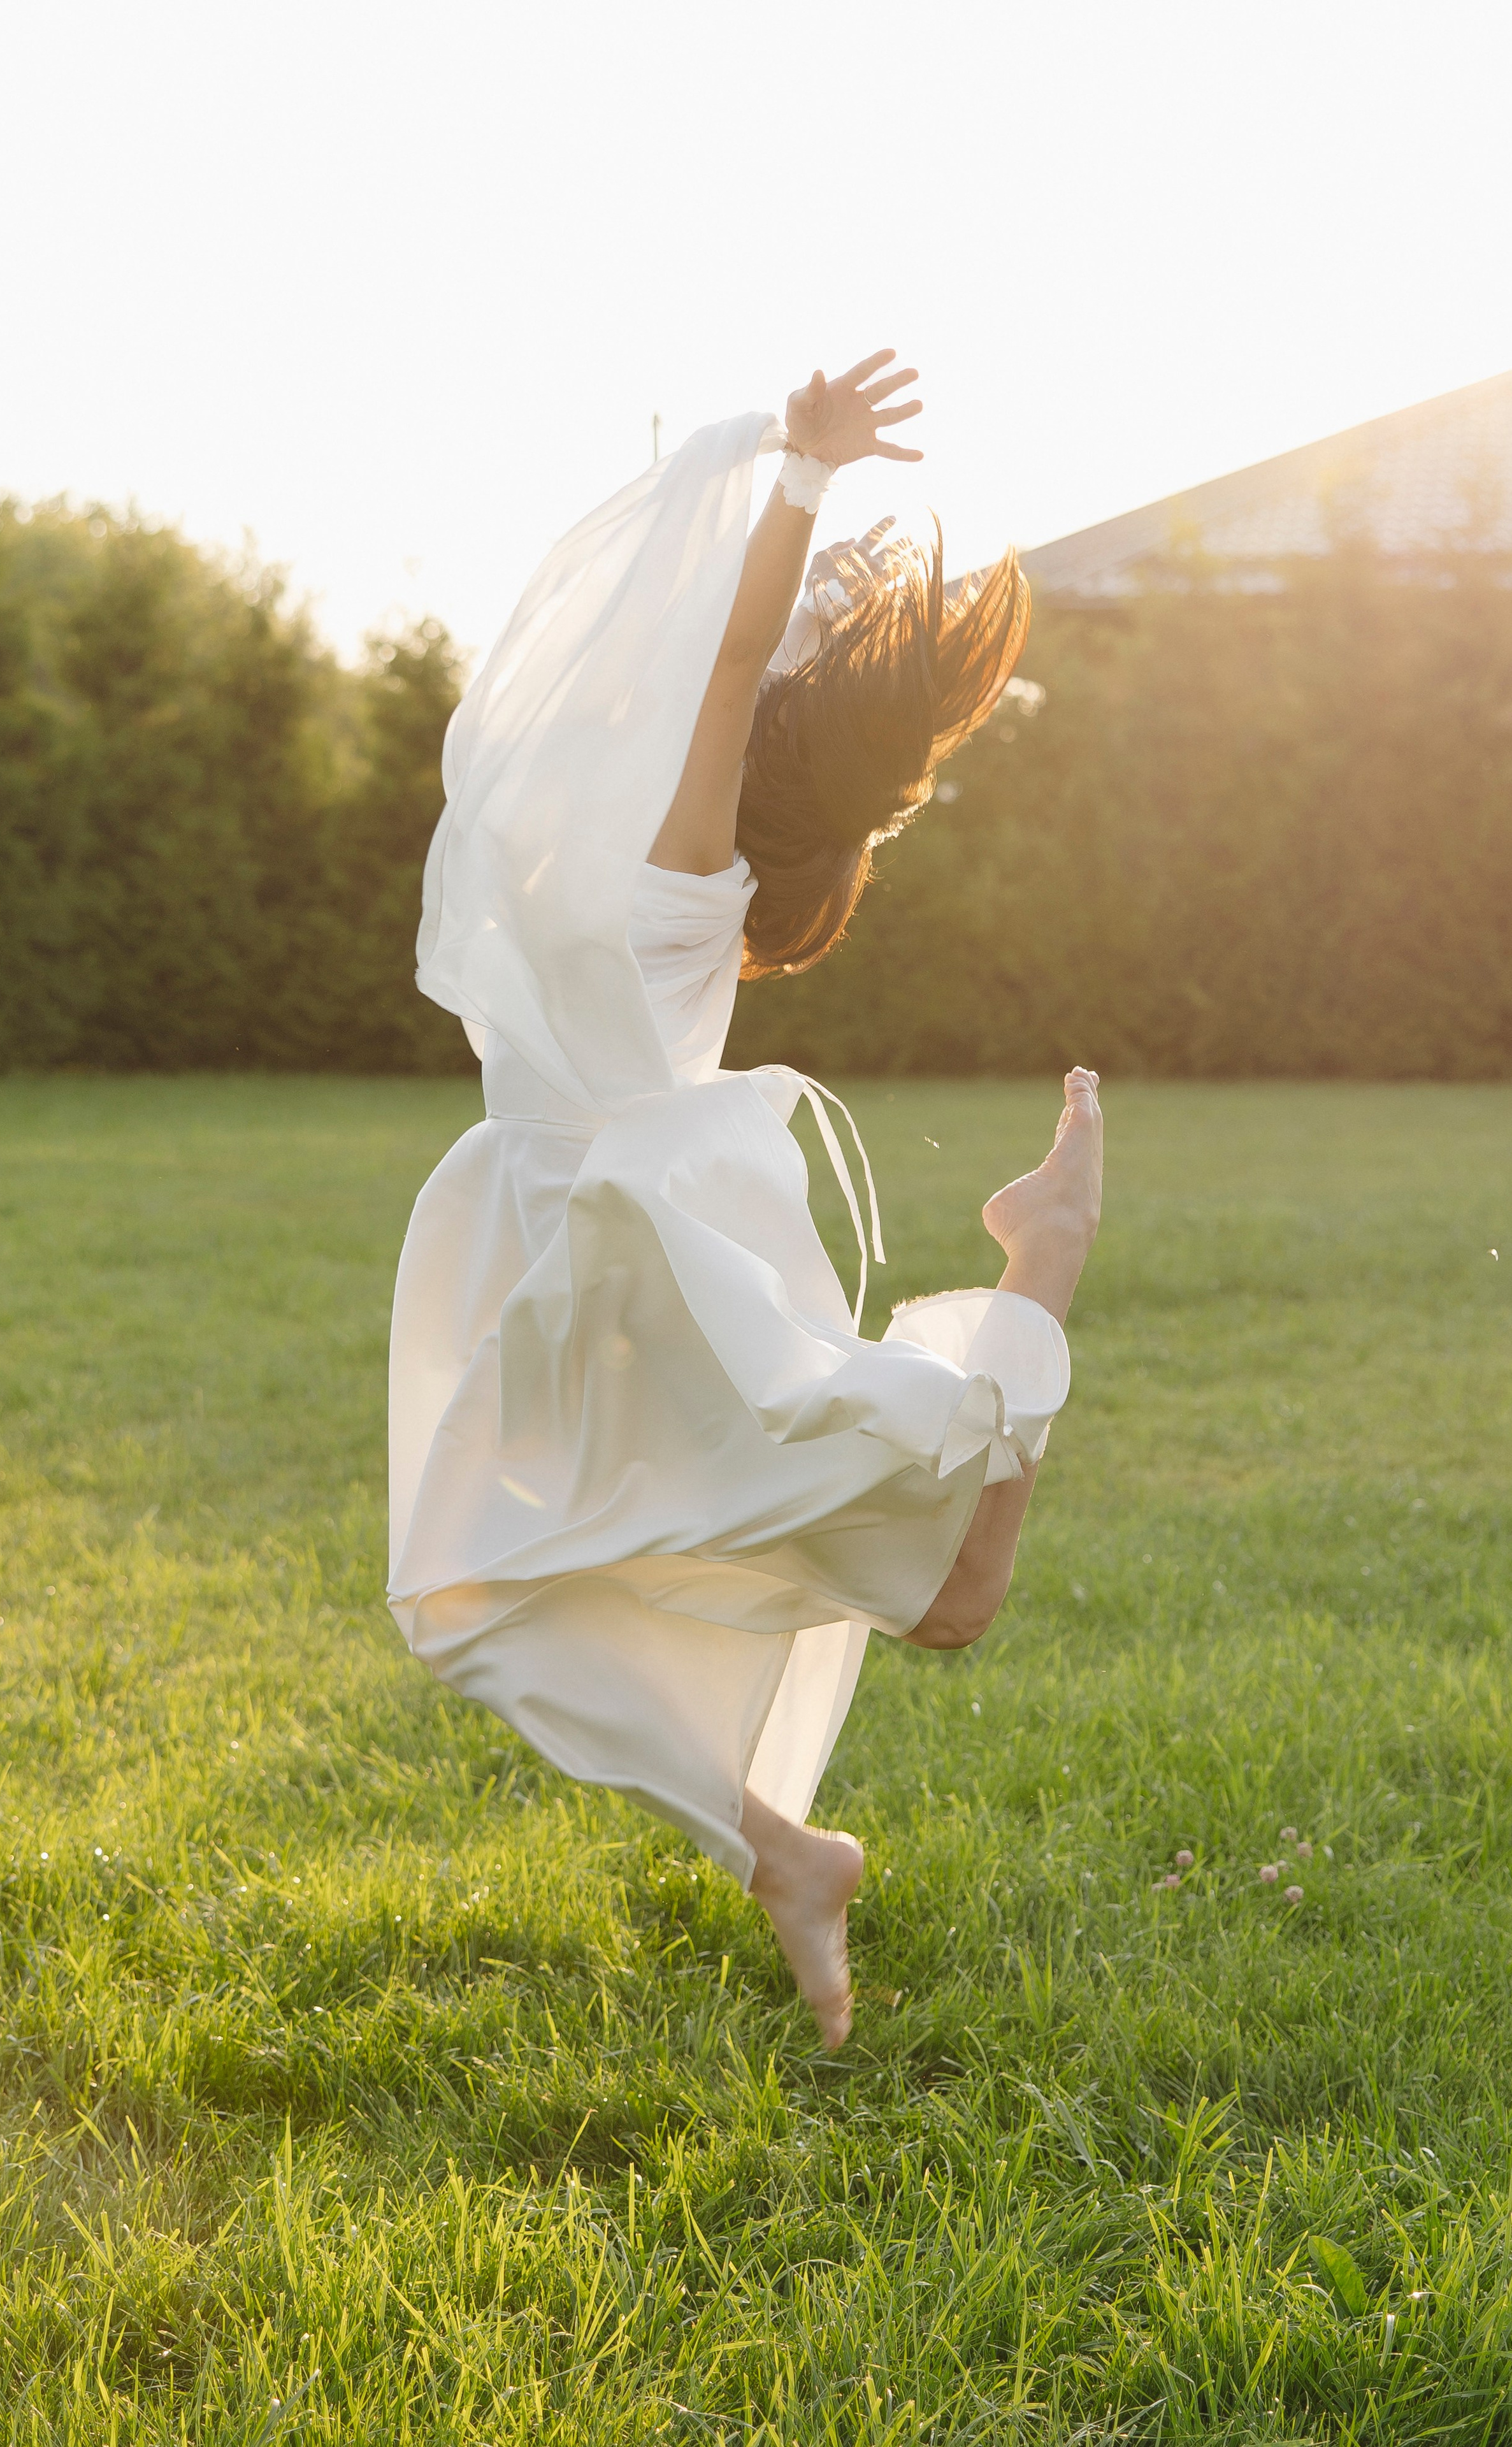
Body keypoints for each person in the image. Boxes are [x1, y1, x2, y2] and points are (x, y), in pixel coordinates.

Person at [389, 352, 1103, 2048]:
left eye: (775, 659)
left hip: (631, 1234)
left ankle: (1039, 1272)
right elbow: (674, 661)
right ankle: (786, 1855)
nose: (748, 646)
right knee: (485, 1604)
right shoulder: (631, 834)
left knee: (480, 1601)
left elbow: (718, 649)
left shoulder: (681, 858)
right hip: (553, 1213)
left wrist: (796, 475)